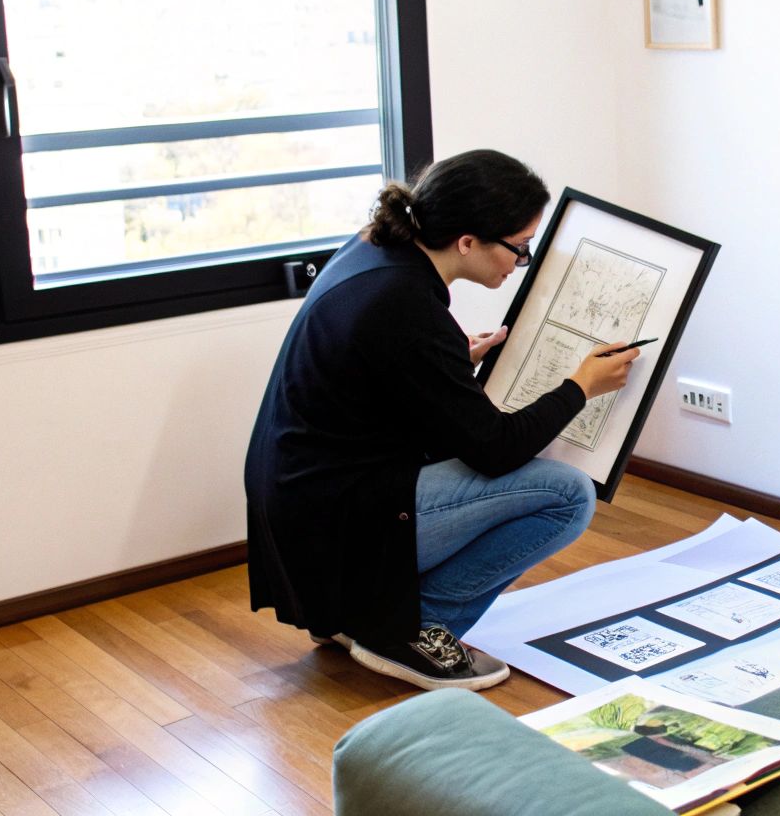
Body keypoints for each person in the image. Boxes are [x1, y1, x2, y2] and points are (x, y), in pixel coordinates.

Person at [243, 149, 640, 691]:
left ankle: (357, 614)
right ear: (468, 242)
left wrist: (452, 362)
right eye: (519, 249)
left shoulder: (376, 247)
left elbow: (381, 370)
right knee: (568, 494)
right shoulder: (403, 303)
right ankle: (407, 625)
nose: (519, 263)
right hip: (333, 522)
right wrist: (580, 388)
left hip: (303, 501)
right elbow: (496, 449)